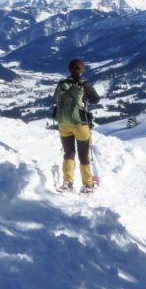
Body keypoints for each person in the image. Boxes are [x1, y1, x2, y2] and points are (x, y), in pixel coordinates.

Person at [53, 58, 101, 193]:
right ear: (82, 70)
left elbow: (56, 97)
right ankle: (87, 184)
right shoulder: (84, 84)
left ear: (69, 69)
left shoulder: (62, 84)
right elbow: (96, 99)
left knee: (68, 153)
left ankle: (67, 182)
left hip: (64, 124)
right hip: (81, 124)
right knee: (84, 155)